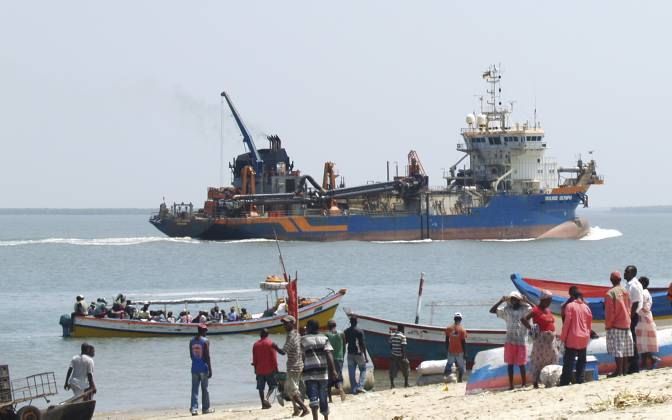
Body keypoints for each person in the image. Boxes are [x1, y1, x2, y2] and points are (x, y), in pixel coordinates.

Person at [489, 291, 531, 390]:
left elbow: (535, 309)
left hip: (521, 340)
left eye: (515, 299)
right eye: (512, 299)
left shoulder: (525, 309)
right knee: (510, 364)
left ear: (519, 300)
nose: (513, 300)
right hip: (510, 340)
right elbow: (492, 310)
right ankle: (511, 385)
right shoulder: (506, 310)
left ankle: (524, 384)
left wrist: (527, 301)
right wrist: (501, 301)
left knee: (522, 364)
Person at [301, 320, 338, 420]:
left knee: (313, 399)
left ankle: (315, 418)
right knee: (323, 397)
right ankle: (326, 418)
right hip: (323, 373)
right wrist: (333, 370)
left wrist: (300, 369)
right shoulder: (324, 338)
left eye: (307, 327)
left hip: (309, 373)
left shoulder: (303, 339)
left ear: (309, 328)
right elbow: (329, 354)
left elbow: (302, 356)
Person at [521, 290, 558, 388]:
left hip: (551, 340)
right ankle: (535, 382)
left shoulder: (548, 310)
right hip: (541, 340)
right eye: (549, 300)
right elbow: (523, 319)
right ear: (544, 299)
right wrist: (531, 329)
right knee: (538, 361)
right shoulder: (535, 310)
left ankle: (550, 379)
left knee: (553, 357)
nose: (550, 302)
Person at [559, 291, 593, 386]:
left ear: (573, 296)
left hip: (572, 337)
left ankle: (565, 381)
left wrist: (563, 337)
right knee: (582, 360)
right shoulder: (587, 307)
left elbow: (567, 323)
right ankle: (580, 379)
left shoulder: (570, 306)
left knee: (569, 361)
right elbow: (589, 324)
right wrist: (588, 335)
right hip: (584, 337)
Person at [605, 271, 633, 377]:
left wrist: (608, 325)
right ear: (620, 280)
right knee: (625, 349)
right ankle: (624, 371)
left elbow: (610, 312)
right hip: (626, 323)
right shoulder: (625, 291)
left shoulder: (610, 293)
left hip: (616, 325)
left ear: (611, 280)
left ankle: (618, 371)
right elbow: (629, 307)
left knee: (618, 350)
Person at [281, 315, 310, 417]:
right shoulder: (297, 334)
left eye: (286, 323)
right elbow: (302, 350)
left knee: (292, 391)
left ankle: (305, 409)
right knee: (290, 390)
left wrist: (273, 346)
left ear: (292, 323)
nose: (284, 325)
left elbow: (283, 351)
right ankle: (296, 410)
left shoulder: (291, 336)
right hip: (298, 365)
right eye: (283, 323)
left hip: (293, 366)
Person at [252, 328, 285, 409]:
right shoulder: (271, 343)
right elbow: (278, 356)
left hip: (259, 370)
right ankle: (267, 398)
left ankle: (263, 404)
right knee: (273, 385)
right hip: (270, 369)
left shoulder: (255, 344)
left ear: (260, 335)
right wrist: (276, 369)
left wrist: (255, 370)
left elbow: (254, 359)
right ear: (268, 335)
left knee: (260, 388)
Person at [635, 276, 659, 369]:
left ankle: (646, 362)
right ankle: (649, 360)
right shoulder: (646, 293)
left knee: (643, 343)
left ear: (643, 284)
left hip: (643, 319)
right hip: (646, 319)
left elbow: (644, 308)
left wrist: (635, 312)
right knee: (643, 343)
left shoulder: (643, 294)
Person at [189, 324, 214, 415]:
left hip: (194, 368)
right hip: (203, 368)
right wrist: (210, 370)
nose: (206, 332)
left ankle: (194, 409)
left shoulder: (191, 341)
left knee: (194, 389)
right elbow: (207, 356)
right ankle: (205, 408)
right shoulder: (205, 341)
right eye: (205, 331)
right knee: (205, 389)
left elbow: (191, 356)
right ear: (202, 331)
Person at [623, 265, 643, 373]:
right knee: (630, 339)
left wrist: (629, 317)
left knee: (631, 340)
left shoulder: (634, 285)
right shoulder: (629, 284)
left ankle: (634, 366)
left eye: (627, 271)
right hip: (629, 314)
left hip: (632, 315)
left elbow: (636, 303)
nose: (624, 273)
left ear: (633, 273)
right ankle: (632, 365)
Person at [344, 316, 368, 394]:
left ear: (350, 322)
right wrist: (366, 356)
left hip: (350, 353)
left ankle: (354, 389)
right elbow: (362, 344)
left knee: (351, 372)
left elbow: (345, 342)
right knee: (363, 369)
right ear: (356, 322)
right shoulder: (360, 331)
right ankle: (360, 386)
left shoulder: (346, 331)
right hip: (358, 353)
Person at [324, 320, 346, 402]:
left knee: (329, 377)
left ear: (328, 326)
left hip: (329, 359)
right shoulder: (341, 333)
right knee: (338, 376)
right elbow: (344, 346)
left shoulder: (326, 335)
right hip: (339, 358)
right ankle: (340, 390)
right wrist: (343, 356)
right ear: (335, 325)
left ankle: (330, 399)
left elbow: (325, 348)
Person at [444, 313, 467, 383]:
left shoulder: (448, 329)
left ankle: (445, 378)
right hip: (459, 351)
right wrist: (465, 353)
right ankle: (460, 379)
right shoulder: (462, 330)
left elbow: (446, 340)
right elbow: (463, 342)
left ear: (454, 319)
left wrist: (447, 349)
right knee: (461, 366)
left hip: (451, 351)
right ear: (461, 320)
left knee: (449, 364)